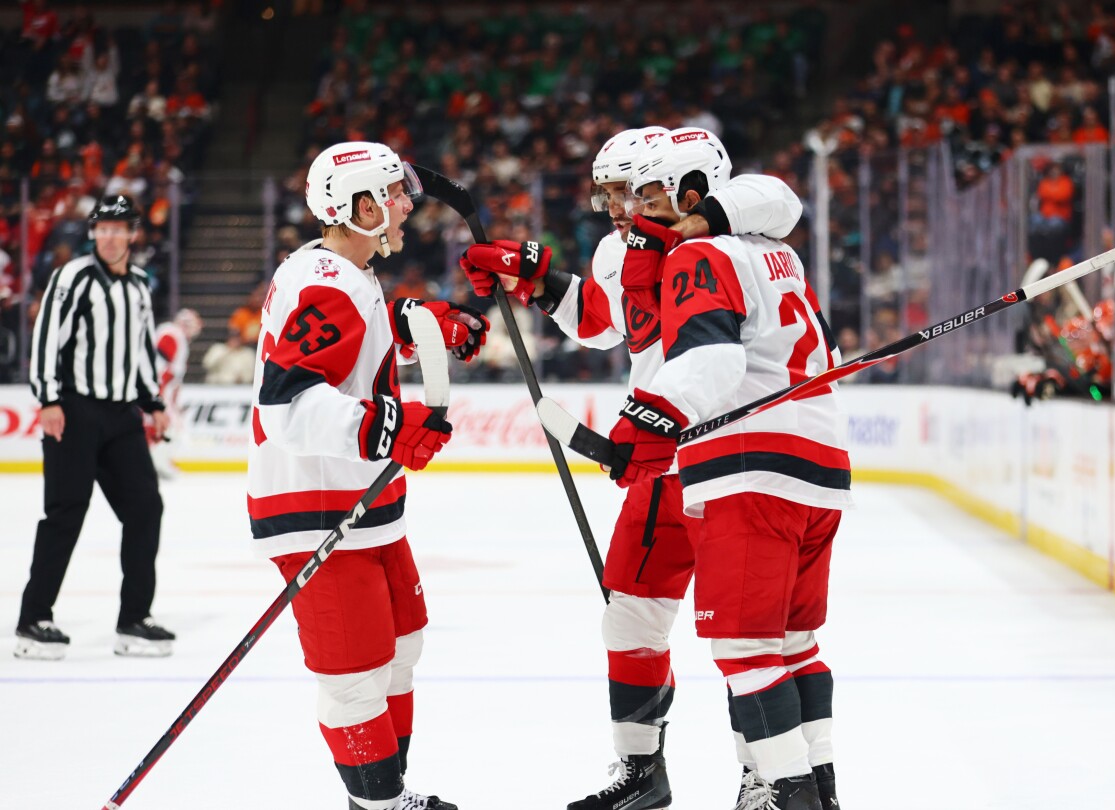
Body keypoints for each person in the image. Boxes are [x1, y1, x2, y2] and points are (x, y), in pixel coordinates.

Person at [459, 126, 808, 810]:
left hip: (726, 456)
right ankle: (642, 773)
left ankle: (764, 777)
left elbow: (780, 200)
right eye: (611, 194)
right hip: (657, 462)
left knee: (745, 636)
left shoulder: (724, 230)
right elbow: (602, 321)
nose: (618, 207)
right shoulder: (621, 250)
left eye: (631, 191)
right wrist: (535, 283)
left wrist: (700, 219)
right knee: (629, 620)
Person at [251, 141, 488, 810]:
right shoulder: (329, 282)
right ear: (359, 209)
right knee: (355, 674)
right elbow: (286, 405)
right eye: (394, 195)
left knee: (402, 646)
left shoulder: (345, 269)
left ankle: (389, 794)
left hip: (360, 499)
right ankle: (379, 805)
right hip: (317, 505)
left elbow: (355, 346)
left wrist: (418, 325)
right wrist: (387, 427)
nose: (407, 205)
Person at [620, 128, 848, 810]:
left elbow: (712, 360)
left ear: (691, 195)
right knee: (794, 643)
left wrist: (649, 416)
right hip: (819, 462)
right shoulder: (777, 253)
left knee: (744, 650)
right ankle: (821, 790)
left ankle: (790, 796)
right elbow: (777, 201)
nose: (638, 209)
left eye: (650, 195)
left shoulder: (700, 252)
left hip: (750, 466)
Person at [17, 195, 173, 660]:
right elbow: (47, 336)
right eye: (102, 228)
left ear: (132, 234)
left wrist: (153, 403)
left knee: (145, 508)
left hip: (122, 417)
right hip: (75, 410)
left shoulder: (139, 285)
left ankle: (134, 620)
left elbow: (140, 349)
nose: (109, 236)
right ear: (93, 233)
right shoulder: (74, 276)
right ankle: (33, 620)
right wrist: (48, 399)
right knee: (65, 513)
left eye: (118, 228)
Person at [150, 307, 202, 477]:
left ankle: (159, 461)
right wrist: (159, 397)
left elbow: (175, 377)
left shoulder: (176, 337)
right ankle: (158, 463)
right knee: (170, 428)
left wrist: (173, 402)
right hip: (158, 392)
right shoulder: (172, 335)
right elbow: (160, 370)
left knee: (171, 427)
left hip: (162, 392)